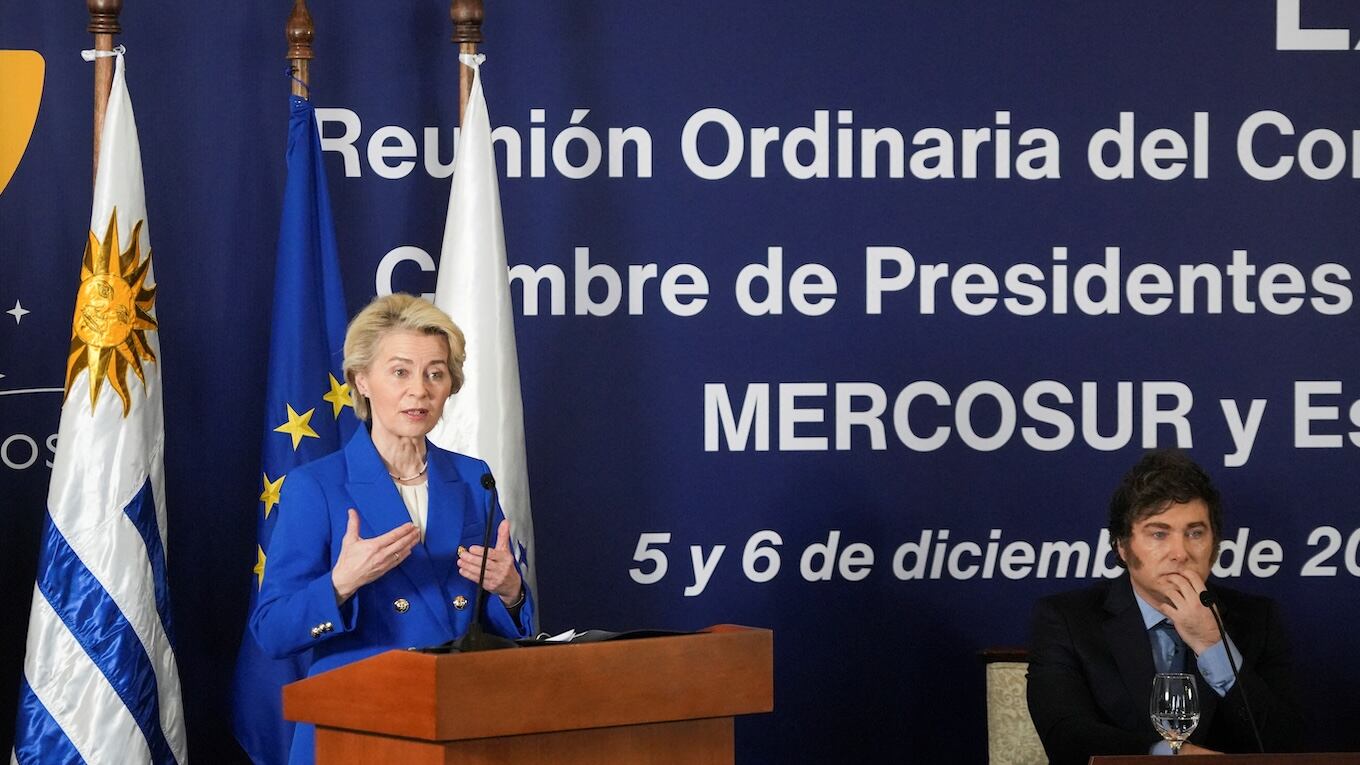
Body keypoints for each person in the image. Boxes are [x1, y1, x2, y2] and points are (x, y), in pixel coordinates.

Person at [251, 293, 534, 765]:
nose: (419, 390)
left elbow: (499, 628)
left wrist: (511, 592)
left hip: (456, 727)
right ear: (362, 380)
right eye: (400, 372)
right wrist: (341, 583)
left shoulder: (472, 478)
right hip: (356, 731)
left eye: (435, 373)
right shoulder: (316, 487)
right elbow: (272, 632)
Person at [1026, 450, 1303, 763]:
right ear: (1122, 546)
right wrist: (1168, 756)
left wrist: (1212, 644)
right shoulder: (1067, 620)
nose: (1180, 552)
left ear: (1214, 546)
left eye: (1195, 533)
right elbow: (1066, 737)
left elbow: (1284, 745)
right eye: (1159, 533)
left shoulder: (1257, 619)